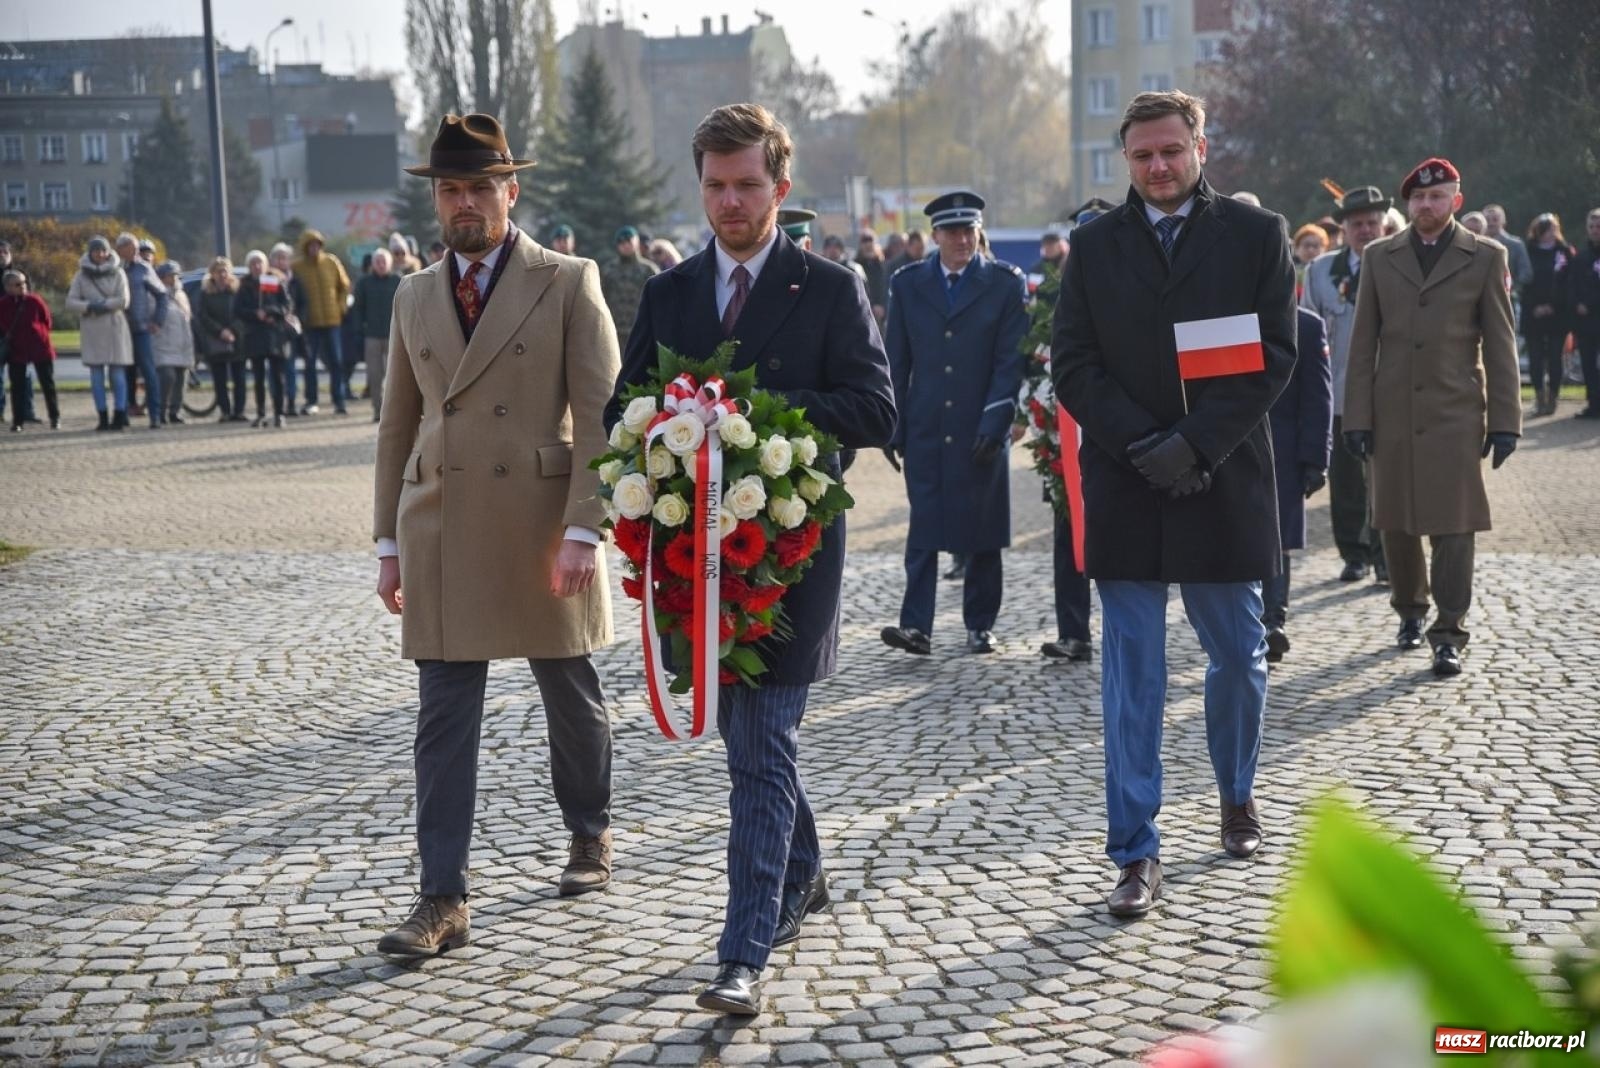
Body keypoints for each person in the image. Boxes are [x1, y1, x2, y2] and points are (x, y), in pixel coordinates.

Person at [606, 102, 895, 1016]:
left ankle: (743, 952)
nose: (731, 204)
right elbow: (627, 413)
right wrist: (666, 434)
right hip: (696, 563)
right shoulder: (671, 292)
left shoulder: (831, 286)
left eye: (748, 185)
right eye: (715, 187)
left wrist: (752, 413)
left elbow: (876, 412)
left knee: (761, 746)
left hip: (793, 557)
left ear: (781, 184)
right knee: (752, 746)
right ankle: (801, 870)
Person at [372, 112, 620, 958]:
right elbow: (393, 428)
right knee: (442, 722)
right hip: (441, 526)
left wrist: (587, 525)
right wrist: (386, 542)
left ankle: (590, 830)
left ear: (513, 191)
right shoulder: (412, 294)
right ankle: (441, 898)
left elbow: (601, 421)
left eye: (481, 186)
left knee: (571, 698)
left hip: (543, 525)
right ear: (436, 201)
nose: (465, 203)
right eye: (450, 190)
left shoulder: (568, 280)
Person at [1051, 90, 1297, 918]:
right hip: (1127, 482)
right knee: (1133, 676)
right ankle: (1135, 850)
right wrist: (1140, 445)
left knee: (1239, 655)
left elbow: (1273, 355)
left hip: (1222, 477)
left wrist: (1193, 445)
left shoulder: (1256, 236)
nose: (1158, 167)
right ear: (1125, 158)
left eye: (1171, 151)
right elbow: (1074, 364)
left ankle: (1236, 793)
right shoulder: (1093, 245)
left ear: (1200, 147)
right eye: (1142, 155)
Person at [1344, 158, 1521, 678]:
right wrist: (1357, 416)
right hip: (1391, 412)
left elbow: (1501, 342)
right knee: (1395, 523)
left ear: (1455, 201)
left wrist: (1506, 421)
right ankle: (1409, 611)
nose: (1426, 205)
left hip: (1454, 413)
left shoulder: (1486, 256)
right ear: (1408, 204)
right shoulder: (1379, 257)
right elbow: (1361, 345)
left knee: (1454, 527)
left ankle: (1449, 631)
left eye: (1437, 196)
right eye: (1418, 199)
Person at [880, 189, 1028, 658]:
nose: (962, 239)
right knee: (923, 529)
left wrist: (996, 421)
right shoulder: (907, 284)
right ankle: (916, 626)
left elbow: (1010, 361)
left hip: (981, 424)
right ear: (935, 235)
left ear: (978, 232)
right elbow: (896, 361)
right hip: (925, 425)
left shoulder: (1005, 283)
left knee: (982, 532)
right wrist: (892, 424)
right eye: (952, 231)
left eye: (969, 230)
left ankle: (980, 624)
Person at [1301, 184, 1392, 583]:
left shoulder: (1399, 264)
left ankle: (1387, 556)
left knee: (1387, 481)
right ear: (1343, 228)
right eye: (1357, 224)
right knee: (1346, 481)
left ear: (1384, 224)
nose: (1366, 230)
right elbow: (1307, 329)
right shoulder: (1321, 271)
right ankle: (1353, 554)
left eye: (1373, 222)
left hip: (1388, 392)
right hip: (1336, 394)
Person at [1262, 304, 1333, 662]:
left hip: (1284, 454)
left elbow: (1318, 397)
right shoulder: (1222, 317)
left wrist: (1316, 458)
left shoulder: (1305, 325)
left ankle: (1273, 621)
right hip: (1226, 448)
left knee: (1279, 540)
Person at [67, 237, 135, 431]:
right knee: (96, 376)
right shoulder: (81, 275)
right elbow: (70, 302)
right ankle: (102, 417)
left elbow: (124, 300)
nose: (100, 254)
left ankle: (120, 416)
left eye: (103, 250)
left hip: (114, 326)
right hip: (93, 327)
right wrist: (89, 306)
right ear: (90, 252)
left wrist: (103, 305)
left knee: (118, 374)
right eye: (96, 250)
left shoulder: (118, 272)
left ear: (108, 252)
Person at [292, 228, 351, 415]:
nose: (314, 248)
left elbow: (344, 286)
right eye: (310, 245)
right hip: (310, 324)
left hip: (333, 321)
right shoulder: (297, 267)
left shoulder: (332, 262)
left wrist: (341, 308)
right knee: (310, 364)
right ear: (305, 247)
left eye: (317, 245)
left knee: (336, 362)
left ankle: (339, 400)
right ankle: (311, 401)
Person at [1523, 212, 1575, 417]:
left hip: (1558, 314)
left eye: (1554, 229)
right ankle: (1539, 396)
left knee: (1555, 357)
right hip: (1533, 313)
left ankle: (1553, 396)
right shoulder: (1529, 251)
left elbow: (1570, 282)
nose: (1551, 233)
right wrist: (1535, 306)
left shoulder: (1565, 252)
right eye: (1547, 230)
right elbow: (1524, 281)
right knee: (1535, 357)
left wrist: (1554, 305)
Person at [234, 250, 293, 428]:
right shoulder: (244, 285)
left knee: (278, 377)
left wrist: (271, 313)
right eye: (253, 263)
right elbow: (238, 310)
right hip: (254, 335)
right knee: (258, 378)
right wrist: (255, 314)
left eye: (260, 263)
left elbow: (286, 305)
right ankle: (261, 413)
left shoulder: (275, 281)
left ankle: (279, 413)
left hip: (275, 335)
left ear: (266, 265)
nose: (257, 266)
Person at [115, 232, 167, 427]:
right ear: (120, 250)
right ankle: (125, 412)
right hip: (120, 329)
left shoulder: (144, 269)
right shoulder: (115, 269)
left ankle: (155, 415)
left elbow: (161, 295)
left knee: (148, 372)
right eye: (131, 247)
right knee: (123, 372)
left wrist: (157, 321)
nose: (136, 251)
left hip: (141, 328)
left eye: (136, 247)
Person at [1, 270, 60, 431]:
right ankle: (18, 421)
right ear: (7, 287)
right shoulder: (3, 304)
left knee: (48, 384)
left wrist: (39, 334)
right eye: (18, 284)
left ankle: (55, 417)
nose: (23, 287)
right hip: (17, 349)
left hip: (39, 347)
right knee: (17, 386)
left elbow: (46, 320)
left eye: (24, 283)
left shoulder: (34, 300)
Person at [351, 247, 402, 422]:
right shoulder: (364, 282)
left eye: (383, 261)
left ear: (389, 263)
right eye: (377, 261)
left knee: (396, 376)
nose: (381, 264)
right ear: (373, 264)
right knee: (374, 374)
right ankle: (377, 410)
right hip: (371, 335)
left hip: (394, 335)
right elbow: (357, 308)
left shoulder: (398, 280)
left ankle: (394, 412)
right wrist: (359, 330)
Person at [196, 257, 247, 422]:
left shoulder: (238, 291)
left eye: (225, 271)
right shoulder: (206, 293)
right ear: (212, 274)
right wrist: (220, 331)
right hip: (216, 340)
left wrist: (233, 330)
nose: (223, 274)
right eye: (219, 271)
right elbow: (203, 316)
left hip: (237, 340)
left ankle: (239, 411)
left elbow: (244, 313)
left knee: (239, 378)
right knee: (220, 379)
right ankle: (225, 411)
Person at [598, 225, 658, 345]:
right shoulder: (608, 270)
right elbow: (600, 299)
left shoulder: (649, 270)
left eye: (629, 241)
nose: (625, 245)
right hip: (614, 330)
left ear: (636, 242)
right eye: (621, 242)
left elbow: (659, 299)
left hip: (642, 329)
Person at [152, 261, 194, 425]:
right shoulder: (156, 295)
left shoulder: (182, 295)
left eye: (176, 275)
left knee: (181, 379)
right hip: (164, 344)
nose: (173, 278)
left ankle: (175, 411)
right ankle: (161, 410)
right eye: (170, 275)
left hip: (182, 344)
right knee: (167, 377)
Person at [1570, 207, 1600, 419]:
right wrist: (1578, 304)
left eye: (1599, 226)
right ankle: (1593, 405)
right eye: (1592, 226)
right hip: (1587, 322)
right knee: (1588, 365)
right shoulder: (1581, 256)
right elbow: (1573, 285)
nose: (1595, 230)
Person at [268, 243, 304, 416]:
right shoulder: (268, 280)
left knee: (291, 368)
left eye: (285, 258)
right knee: (274, 371)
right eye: (278, 258)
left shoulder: (296, 280)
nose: (282, 261)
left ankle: (291, 402)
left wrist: (297, 318)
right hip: (273, 330)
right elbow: (266, 303)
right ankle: (277, 404)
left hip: (290, 331)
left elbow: (303, 303)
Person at [1483, 204, 1533, 295]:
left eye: (1495, 219)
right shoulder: (1476, 243)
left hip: (1508, 295)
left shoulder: (1516, 244)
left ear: (1503, 222)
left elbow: (1526, 273)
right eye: (1487, 220)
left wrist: (1511, 287)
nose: (1490, 223)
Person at [855, 229, 888, 323]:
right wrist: (871, 305)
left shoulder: (882, 264)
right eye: (865, 242)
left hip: (882, 313)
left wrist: (882, 306)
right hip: (863, 311)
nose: (868, 245)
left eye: (870, 241)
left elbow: (886, 286)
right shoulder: (856, 265)